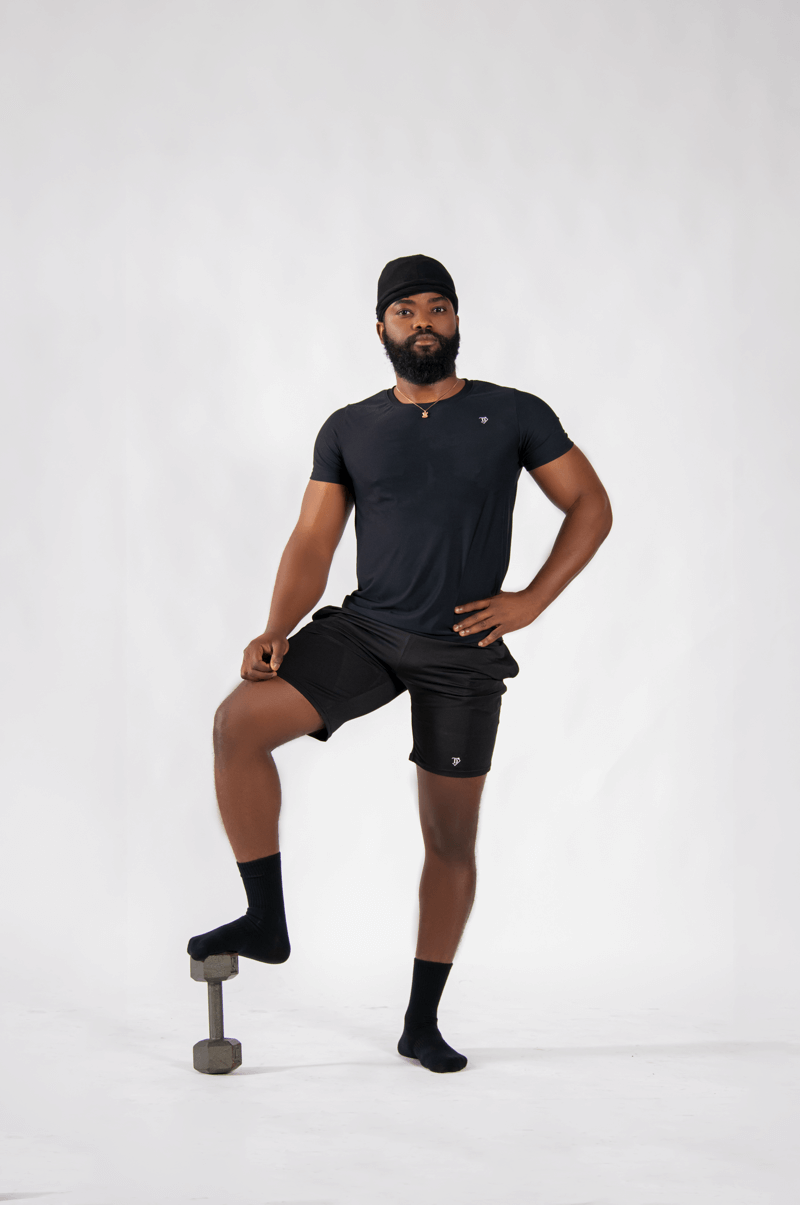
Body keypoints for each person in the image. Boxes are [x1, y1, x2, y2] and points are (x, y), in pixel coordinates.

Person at [188, 253, 612, 1073]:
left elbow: (590, 503)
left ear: (457, 321)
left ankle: (421, 1022)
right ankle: (265, 918)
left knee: (449, 839)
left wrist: (531, 599)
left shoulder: (514, 412)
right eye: (406, 310)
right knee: (238, 723)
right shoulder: (349, 427)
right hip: (371, 632)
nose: (423, 322)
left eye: (437, 308)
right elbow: (314, 539)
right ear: (381, 327)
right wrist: (276, 626)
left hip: (464, 649)